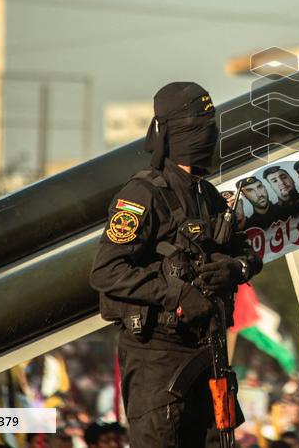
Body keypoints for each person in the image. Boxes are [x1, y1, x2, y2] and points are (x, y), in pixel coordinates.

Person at [91, 82, 263, 448]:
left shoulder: (208, 195)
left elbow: (248, 254)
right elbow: (106, 271)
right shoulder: (143, 195)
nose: (209, 133)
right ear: (173, 131)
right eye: (199, 123)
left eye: (210, 123)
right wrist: (177, 294)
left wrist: (236, 269)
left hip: (210, 353)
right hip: (158, 357)